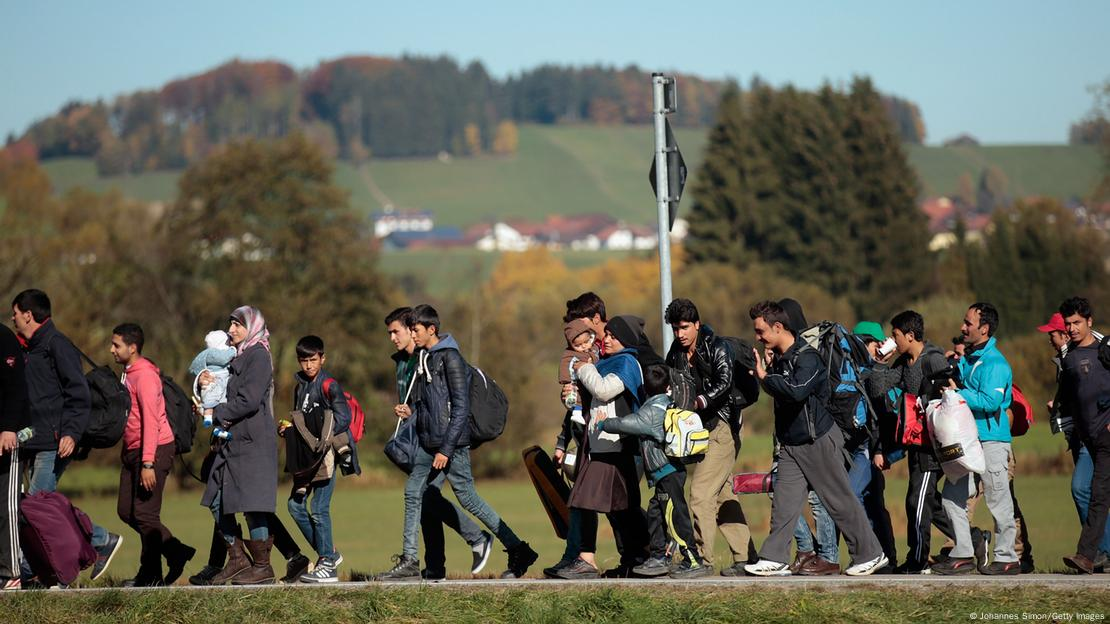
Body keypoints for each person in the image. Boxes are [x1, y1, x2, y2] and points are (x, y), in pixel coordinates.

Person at [377, 305, 537, 580]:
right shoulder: (425, 357)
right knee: (414, 492)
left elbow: (460, 408)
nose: (412, 335)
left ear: (431, 330)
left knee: (468, 498)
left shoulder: (451, 358)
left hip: (451, 444)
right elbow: (431, 404)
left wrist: (446, 449)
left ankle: (517, 548)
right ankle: (410, 560)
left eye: (415, 330)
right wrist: (412, 411)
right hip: (428, 443)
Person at [744, 300, 887, 576]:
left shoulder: (808, 357)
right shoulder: (782, 358)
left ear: (778, 327)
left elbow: (796, 390)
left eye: (760, 331)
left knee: (838, 500)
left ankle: (871, 554)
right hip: (791, 444)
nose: (757, 337)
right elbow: (784, 391)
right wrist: (770, 373)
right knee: (784, 503)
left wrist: (766, 378)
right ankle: (774, 557)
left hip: (817, 440)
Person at [11, 289, 121, 584]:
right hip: (33, 442)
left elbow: (78, 394)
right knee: (41, 507)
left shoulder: (56, 345)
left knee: (37, 507)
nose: (13, 319)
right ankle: (98, 541)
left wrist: (71, 433)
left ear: (28, 315)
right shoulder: (27, 349)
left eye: (16, 313)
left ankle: (92, 543)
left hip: (55, 442)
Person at [384, 307, 492, 580]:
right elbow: (423, 404)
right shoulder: (404, 361)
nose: (393, 338)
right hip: (421, 439)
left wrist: (444, 444)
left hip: (440, 442)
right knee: (425, 498)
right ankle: (434, 566)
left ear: (414, 329)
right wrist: (410, 412)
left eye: (397, 332)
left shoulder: (434, 357)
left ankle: (478, 539)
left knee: (430, 495)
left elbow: (449, 404)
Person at [555, 315, 653, 579]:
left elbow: (605, 390)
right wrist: (570, 396)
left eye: (612, 335)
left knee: (583, 499)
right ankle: (637, 557)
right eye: (606, 334)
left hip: (618, 445)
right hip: (601, 446)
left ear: (626, 340)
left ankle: (586, 560)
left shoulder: (627, 363)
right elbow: (591, 400)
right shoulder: (604, 362)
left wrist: (582, 368)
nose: (605, 339)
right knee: (623, 508)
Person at [663, 298, 755, 576]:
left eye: (684, 327)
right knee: (722, 495)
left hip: (723, 427)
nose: (680, 334)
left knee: (701, 494)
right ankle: (747, 558)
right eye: (675, 328)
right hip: (698, 430)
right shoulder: (676, 352)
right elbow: (670, 379)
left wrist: (699, 401)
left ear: (697, 324)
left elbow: (724, 382)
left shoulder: (717, 347)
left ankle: (702, 560)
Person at [596, 363, 711, 578]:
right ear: (668, 386)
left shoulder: (650, 412)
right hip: (669, 471)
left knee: (675, 516)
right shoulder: (668, 403)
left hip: (666, 472)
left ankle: (693, 561)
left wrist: (603, 424)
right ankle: (658, 557)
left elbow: (625, 424)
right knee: (655, 514)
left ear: (645, 388)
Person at [866, 310, 955, 574]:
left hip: (933, 446)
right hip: (915, 443)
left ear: (910, 335)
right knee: (930, 503)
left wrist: (921, 403)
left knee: (915, 501)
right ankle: (973, 539)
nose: (892, 340)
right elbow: (878, 389)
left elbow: (951, 393)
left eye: (895, 335)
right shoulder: (904, 363)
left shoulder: (934, 360)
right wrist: (880, 362)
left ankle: (917, 560)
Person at [198, 305, 281, 585]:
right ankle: (237, 559)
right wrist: (203, 383)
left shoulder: (258, 356)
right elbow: (222, 387)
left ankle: (262, 567)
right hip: (232, 441)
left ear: (252, 327)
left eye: (237, 324)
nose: (230, 329)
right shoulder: (237, 355)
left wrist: (216, 413)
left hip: (253, 442)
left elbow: (249, 400)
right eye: (230, 323)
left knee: (253, 505)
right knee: (215, 497)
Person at [934, 303, 1018, 575]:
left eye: (968, 323)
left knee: (998, 501)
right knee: (951, 498)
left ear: (984, 329)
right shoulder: (968, 360)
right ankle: (963, 553)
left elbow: (991, 401)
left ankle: (1007, 558)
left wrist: (958, 393)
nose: (962, 327)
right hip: (967, 441)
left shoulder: (996, 363)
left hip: (992, 441)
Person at [109, 323, 195, 586]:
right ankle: (175, 551)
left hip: (154, 450)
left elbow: (151, 421)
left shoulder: (145, 376)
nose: (112, 350)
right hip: (133, 451)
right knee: (127, 511)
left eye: (116, 345)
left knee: (145, 515)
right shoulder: (128, 373)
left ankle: (150, 576)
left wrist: (148, 463)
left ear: (132, 348)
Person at [282, 335, 362, 583]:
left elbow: (343, 418)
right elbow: (300, 418)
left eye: (313, 360)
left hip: (327, 455)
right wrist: (289, 429)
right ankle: (330, 555)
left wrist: (323, 436)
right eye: (303, 360)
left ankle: (327, 564)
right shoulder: (300, 386)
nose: (308, 365)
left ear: (322, 358)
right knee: (295, 506)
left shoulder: (329, 385)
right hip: (307, 456)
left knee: (318, 507)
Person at [1041, 310, 1110, 569]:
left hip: (1102, 435)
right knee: (1089, 491)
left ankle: (1096, 553)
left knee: (1093, 492)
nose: (1050, 338)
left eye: (1052, 333)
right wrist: (1060, 409)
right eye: (1068, 324)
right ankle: (1097, 552)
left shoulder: (1103, 349)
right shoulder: (1069, 359)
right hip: (1084, 436)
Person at [0, 323, 28, 590]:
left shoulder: (4, 337)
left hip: (6, 438)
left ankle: (11, 573)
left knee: (6, 506)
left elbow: (17, 388)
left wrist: (9, 428)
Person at [188, 330, 237, 426]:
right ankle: (211, 418)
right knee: (216, 398)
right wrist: (233, 350)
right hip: (218, 379)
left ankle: (209, 416)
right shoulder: (216, 353)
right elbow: (224, 358)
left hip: (216, 382)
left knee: (211, 399)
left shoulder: (207, 353)